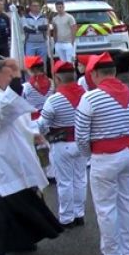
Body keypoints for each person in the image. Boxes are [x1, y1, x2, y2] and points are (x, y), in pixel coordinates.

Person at [0, 58, 63, 255]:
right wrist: (15, 87)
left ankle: (22, 243)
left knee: (24, 206)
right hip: (1, 169)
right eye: (11, 76)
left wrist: (36, 134)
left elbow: (21, 123)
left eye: (17, 75)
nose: (16, 79)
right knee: (3, 215)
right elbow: (2, 110)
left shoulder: (10, 99)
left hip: (17, 165)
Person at [75, 52, 129, 255]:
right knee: (126, 202)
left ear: (94, 74)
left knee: (106, 207)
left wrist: (88, 154)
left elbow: (81, 136)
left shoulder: (90, 98)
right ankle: (128, 250)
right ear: (114, 72)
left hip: (105, 157)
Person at [38, 60, 88, 228]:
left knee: (65, 182)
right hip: (82, 142)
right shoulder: (86, 95)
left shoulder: (54, 100)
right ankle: (79, 214)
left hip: (60, 144)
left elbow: (43, 125)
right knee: (80, 179)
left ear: (57, 79)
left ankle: (67, 218)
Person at [22, 56, 52, 120]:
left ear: (29, 70)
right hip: (51, 118)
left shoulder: (25, 87)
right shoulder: (53, 82)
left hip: (34, 121)